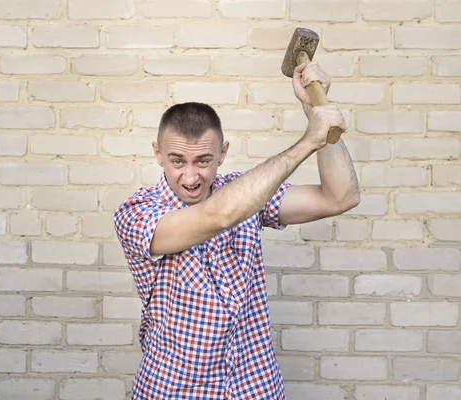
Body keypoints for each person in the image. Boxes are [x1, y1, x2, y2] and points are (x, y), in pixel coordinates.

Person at [113, 61, 360, 399]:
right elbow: (218, 216)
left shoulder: (244, 194)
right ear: (157, 154)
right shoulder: (136, 214)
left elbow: (340, 196)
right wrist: (307, 143)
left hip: (255, 388)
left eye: (202, 161)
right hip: (174, 390)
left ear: (222, 153)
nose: (190, 177)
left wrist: (315, 110)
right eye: (176, 161)